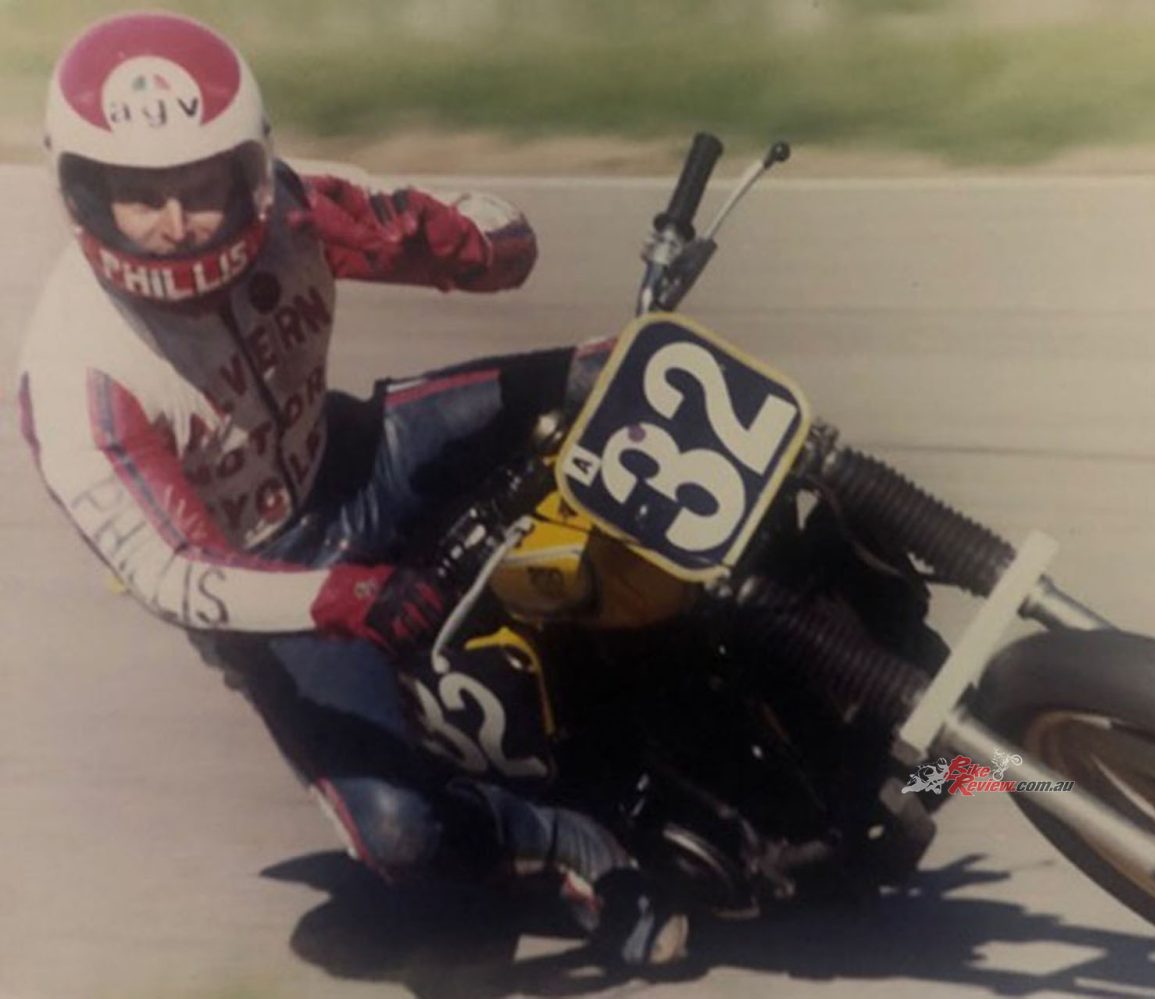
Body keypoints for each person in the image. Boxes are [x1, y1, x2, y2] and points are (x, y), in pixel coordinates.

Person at [16, 11, 686, 966]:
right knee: (397, 831)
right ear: (84, 192)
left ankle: (815, 532)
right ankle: (557, 838)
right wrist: (339, 598)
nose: (178, 222)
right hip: (270, 589)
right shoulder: (76, 375)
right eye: (140, 195)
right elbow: (173, 573)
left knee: (624, 371)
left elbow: (497, 234)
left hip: (361, 458)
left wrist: (464, 243)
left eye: (202, 185)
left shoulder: (291, 207)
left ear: (245, 168)